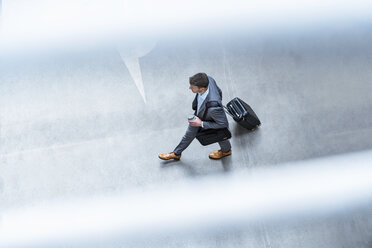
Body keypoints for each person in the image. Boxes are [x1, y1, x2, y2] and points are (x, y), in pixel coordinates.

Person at [158, 72, 232, 160]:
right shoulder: (209, 79)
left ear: (202, 89)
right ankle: (176, 153)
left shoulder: (214, 108)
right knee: (189, 135)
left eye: (192, 87)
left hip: (208, 118)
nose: (189, 88)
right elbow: (219, 91)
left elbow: (223, 124)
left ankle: (226, 151)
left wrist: (201, 123)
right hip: (200, 114)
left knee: (220, 134)